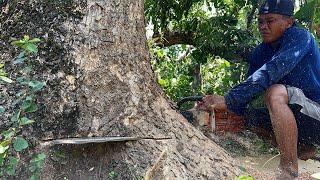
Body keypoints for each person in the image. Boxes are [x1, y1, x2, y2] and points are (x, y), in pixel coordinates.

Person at [197, 0, 320, 179]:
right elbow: (246, 95)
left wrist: (228, 99)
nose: (263, 26)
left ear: (289, 22)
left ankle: (288, 172)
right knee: (246, 115)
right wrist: (211, 108)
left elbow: (274, 69)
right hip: (301, 118)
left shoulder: (300, 37)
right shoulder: (260, 53)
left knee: (275, 93)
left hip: (316, 113)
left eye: (270, 21)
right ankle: (303, 146)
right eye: (260, 21)